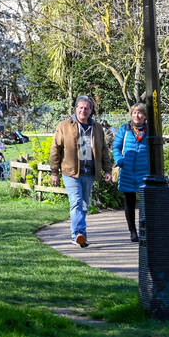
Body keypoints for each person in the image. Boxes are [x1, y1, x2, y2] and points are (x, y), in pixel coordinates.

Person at [49, 96, 114, 248]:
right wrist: (54, 172)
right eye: (80, 107)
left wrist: (107, 170)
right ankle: (78, 234)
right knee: (76, 202)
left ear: (91, 111)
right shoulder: (64, 126)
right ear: (76, 108)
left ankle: (80, 234)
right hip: (71, 172)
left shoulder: (97, 128)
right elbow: (55, 149)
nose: (83, 110)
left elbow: (104, 150)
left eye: (86, 108)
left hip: (89, 172)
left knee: (84, 205)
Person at [111, 103, 149, 242]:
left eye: (140, 113)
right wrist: (120, 160)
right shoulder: (124, 129)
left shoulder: (150, 130)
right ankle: (133, 231)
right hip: (127, 170)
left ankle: (145, 229)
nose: (137, 116)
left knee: (146, 203)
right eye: (134, 113)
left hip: (144, 171)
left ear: (144, 115)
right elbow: (116, 147)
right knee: (129, 202)